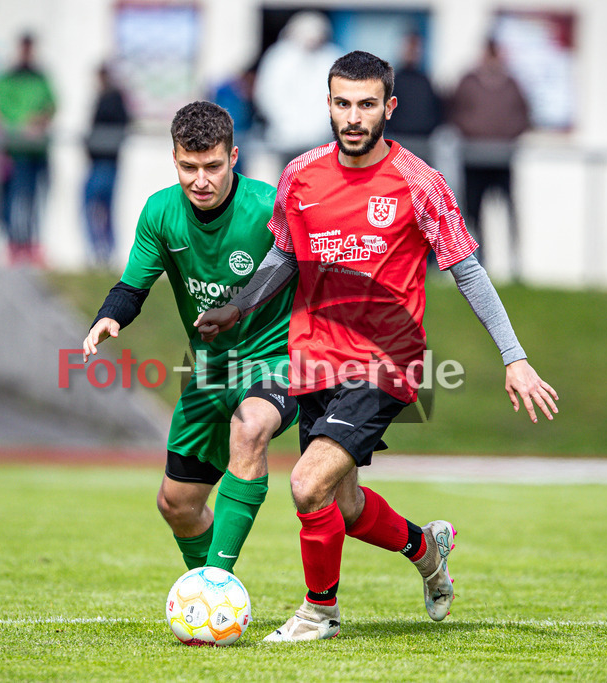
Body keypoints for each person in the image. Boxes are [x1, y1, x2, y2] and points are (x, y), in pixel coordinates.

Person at [196, 51, 557, 642]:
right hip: (314, 357)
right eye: (343, 103)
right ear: (329, 105)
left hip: (386, 362)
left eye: (367, 104)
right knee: (345, 504)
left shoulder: (418, 180)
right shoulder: (301, 175)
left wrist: (514, 357)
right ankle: (427, 549)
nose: (354, 116)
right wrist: (240, 304)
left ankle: (320, 613)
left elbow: (468, 270)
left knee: (307, 483)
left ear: (388, 107)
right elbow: (284, 255)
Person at [81, 101, 298, 574]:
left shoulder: (269, 207)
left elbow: (309, 265)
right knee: (176, 505)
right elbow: (133, 284)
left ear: (234, 157)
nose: (201, 179)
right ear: (175, 159)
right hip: (211, 373)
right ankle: (206, 589)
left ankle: (218, 583)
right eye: (189, 166)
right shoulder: (161, 212)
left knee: (250, 426)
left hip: (275, 360)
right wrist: (108, 317)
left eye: (213, 166)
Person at [450, 39, 531, 279]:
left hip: (502, 159)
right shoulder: (468, 82)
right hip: (473, 159)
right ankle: (477, 263)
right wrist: (471, 131)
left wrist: (506, 137)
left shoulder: (512, 84)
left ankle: (515, 264)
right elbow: (454, 112)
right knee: (473, 214)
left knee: (509, 211)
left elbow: (525, 116)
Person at [0, 32, 57, 264]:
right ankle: (15, 245)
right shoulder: (7, 79)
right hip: (17, 152)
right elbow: (0, 110)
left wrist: (41, 119)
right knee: (17, 200)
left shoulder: (40, 77)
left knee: (37, 199)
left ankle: (32, 245)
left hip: (38, 150)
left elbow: (52, 104)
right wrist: (24, 125)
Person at [254, 11, 342, 166]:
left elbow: (339, 95)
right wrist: (287, 122)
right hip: (283, 137)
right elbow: (269, 94)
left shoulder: (331, 58)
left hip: (320, 138)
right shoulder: (279, 58)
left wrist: (319, 126)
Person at [82, 63, 130, 265]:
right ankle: (104, 249)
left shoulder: (110, 99)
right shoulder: (112, 98)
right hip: (105, 163)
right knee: (104, 209)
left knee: (94, 207)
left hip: (104, 162)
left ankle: (101, 249)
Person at [386, 32, 444, 163]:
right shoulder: (393, 80)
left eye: (416, 48)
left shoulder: (425, 81)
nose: (412, 52)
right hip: (399, 141)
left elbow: (437, 110)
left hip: (423, 144)